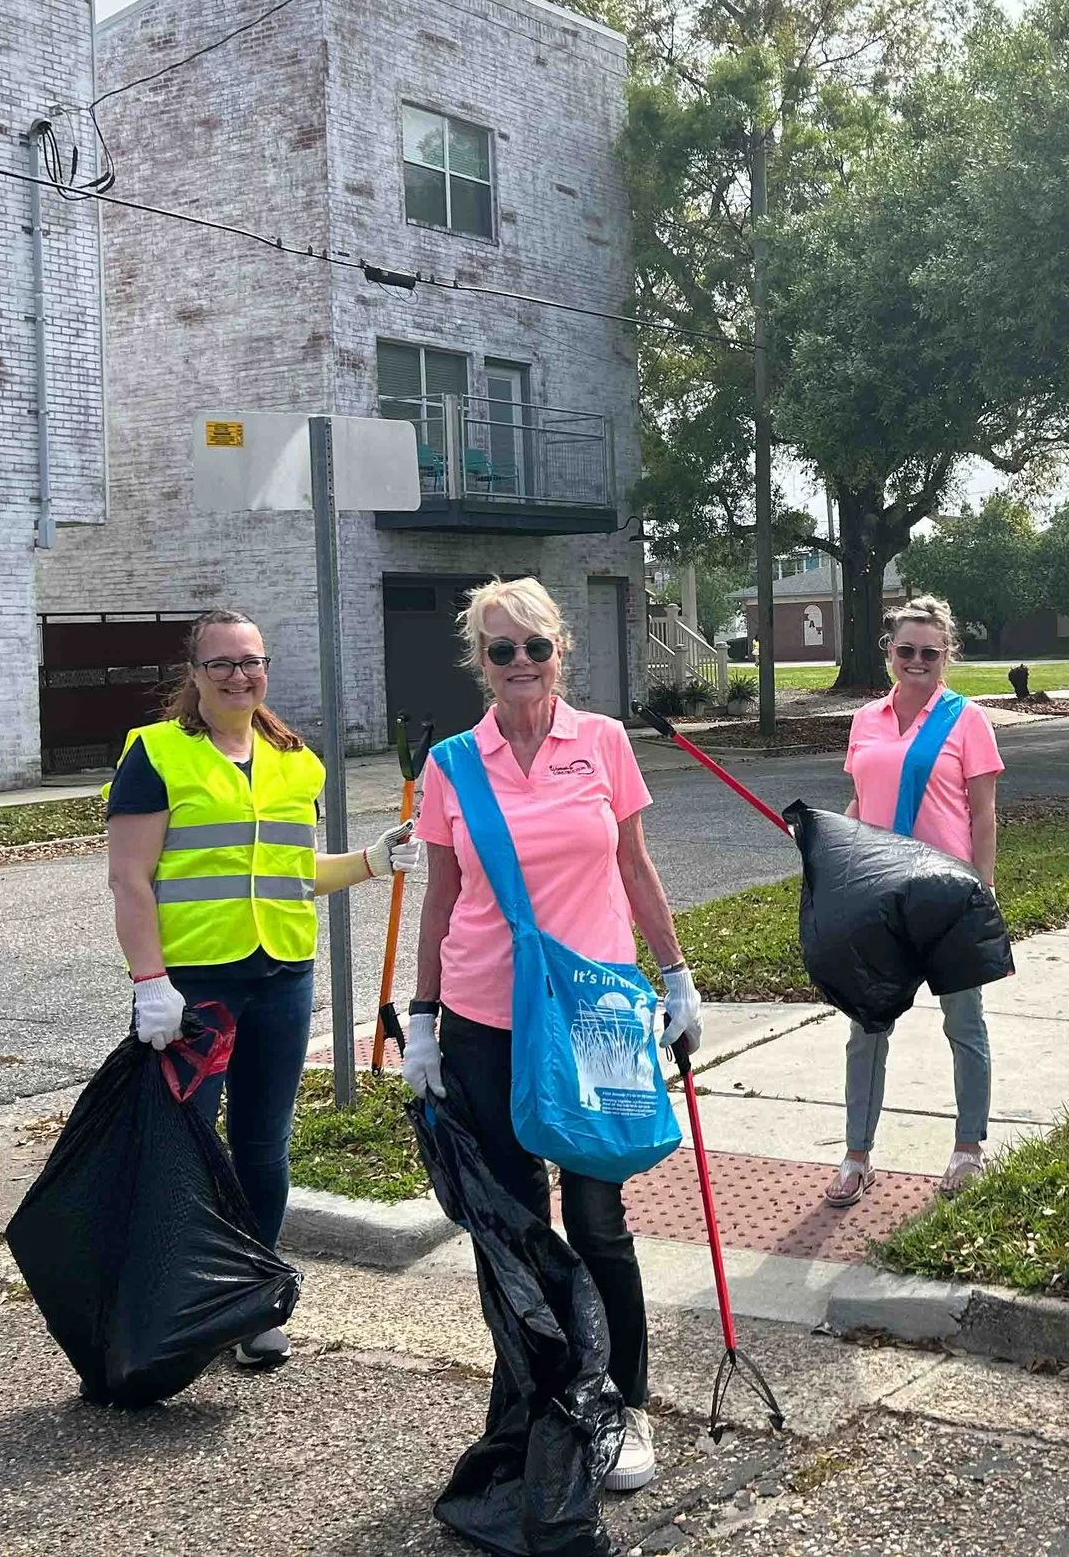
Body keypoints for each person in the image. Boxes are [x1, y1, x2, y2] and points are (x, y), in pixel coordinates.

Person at [396, 577, 701, 1496]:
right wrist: (421, 1018)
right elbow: (441, 898)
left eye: (536, 646)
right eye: (501, 650)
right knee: (519, 1225)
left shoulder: (603, 744)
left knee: (600, 1219)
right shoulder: (454, 763)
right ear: (479, 664)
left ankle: (621, 1400)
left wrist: (678, 974)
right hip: (487, 1016)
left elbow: (635, 864)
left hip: (597, 1017)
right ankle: (540, 1390)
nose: (521, 663)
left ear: (561, 651)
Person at [104, 607, 418, 1367]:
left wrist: (369, 861)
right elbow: (129, 878)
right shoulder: (156, 754)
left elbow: (291, 871)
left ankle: (254, 1300)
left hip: (280, 975)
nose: (239, 675)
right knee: (183, 1147)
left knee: (262, 1145)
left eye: (251, 661)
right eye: (222, 663)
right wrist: (151, 981)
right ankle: (173, 1301)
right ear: (195, 673)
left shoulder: (294, 761)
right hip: (194, 989)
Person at [828, 593, 1005, 1208]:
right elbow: (860, 803)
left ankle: (968, 1148)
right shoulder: (865, 721)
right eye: (906, 650)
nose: (917, 660)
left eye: (930, 651)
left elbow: (983, 817)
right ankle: (856, 1155)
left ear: (947, 655)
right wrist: (830, 848)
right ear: (889, 653)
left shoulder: (967, 720)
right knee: (866, 1027)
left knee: (963, 1023)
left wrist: (984, 890)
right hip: (879, 896)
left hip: (948, 897)